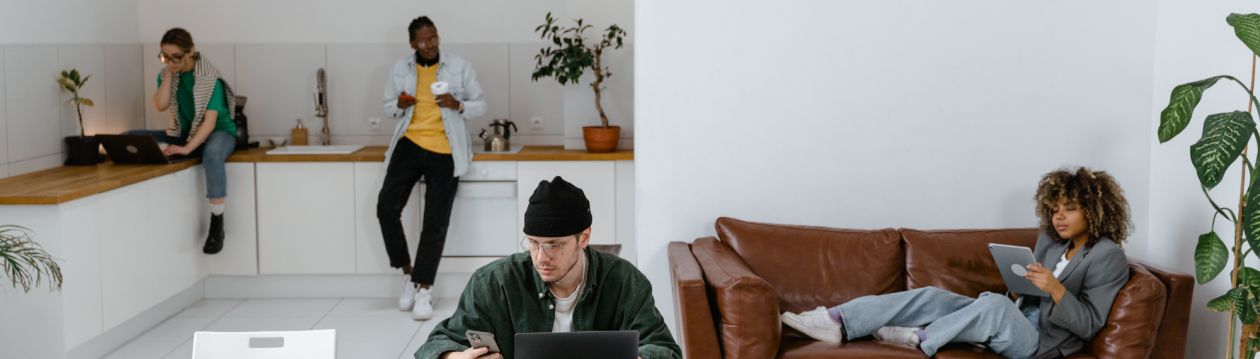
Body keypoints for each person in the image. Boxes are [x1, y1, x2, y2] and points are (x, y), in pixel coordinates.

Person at [781, 167, 1132, 359]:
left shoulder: (1108, 256)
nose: (1059, 217)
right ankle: (838, 320)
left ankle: (922, 338)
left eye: (1069, 208)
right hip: (1014, 321)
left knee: (991, 305)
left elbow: (1090, 325)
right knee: (934, 295)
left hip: (1040, 344)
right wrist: (1019, 289)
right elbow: (1024, 297)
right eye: (1054, 209)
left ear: (1094, 209)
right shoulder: (1050, 242)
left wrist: (1054, 289)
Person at [414, 176, 681, 359]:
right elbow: (436, 343)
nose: (541, 257)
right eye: (533, 243)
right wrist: (453, 356)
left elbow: (664, 348)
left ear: (584, 238)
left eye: (554, 245)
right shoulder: (493, 282)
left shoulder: (626, 282)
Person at [378, 15, 486, 321]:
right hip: (410, 144)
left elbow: (480, 103)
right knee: (386, 208)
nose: (431, 44)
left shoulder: (459, 66)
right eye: (424, 40)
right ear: (413, 43)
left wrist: (458, 105)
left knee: (435, 221)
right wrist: (400, 104)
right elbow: (387, 107)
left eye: (434, 38)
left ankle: (424, 288)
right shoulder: (400, 69)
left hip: (446, 150)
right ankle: (408, 274)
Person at [128, 28, 237, 254]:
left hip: (219, 132)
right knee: (130, 137)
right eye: (165, 57)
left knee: (213, 152)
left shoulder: (210, 78)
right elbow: (160, 105)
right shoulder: (168, 72)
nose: (171, 61)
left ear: (191, 51)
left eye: (176, 57)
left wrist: (188, 147)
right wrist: (169, 71)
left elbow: (209, 123)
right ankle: (190, 149)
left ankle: (217, 223)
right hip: (184, 133)